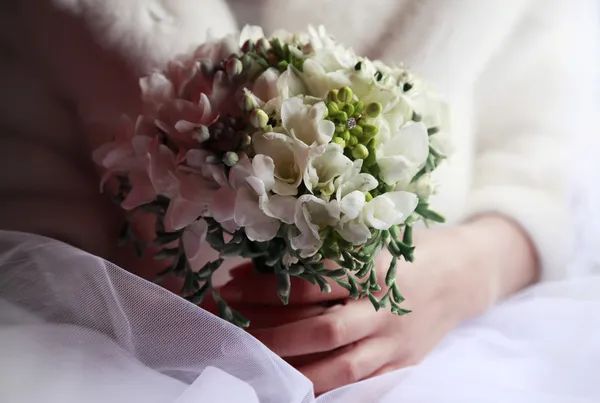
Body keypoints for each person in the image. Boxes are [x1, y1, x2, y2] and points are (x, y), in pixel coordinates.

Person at [0, 0, 600, 402]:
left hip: (442, 342)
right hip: (134, 360)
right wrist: (164, 322)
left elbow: (538, 153)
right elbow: (26, 212)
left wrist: (470, 270)